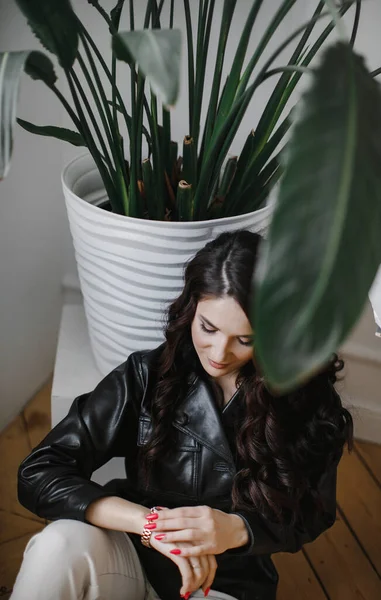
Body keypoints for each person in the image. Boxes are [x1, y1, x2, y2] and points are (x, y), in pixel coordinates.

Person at [12, 230, 353, 600]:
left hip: (225, 583)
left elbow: (313, 513)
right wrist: (149, 526)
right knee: (57, 545)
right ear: (190, 307)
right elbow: (39, 471)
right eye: (208, 328)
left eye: (246, 339)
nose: (220, 352)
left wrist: (236, 529)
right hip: (132, 557)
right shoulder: (147, 375)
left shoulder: (306, 398)